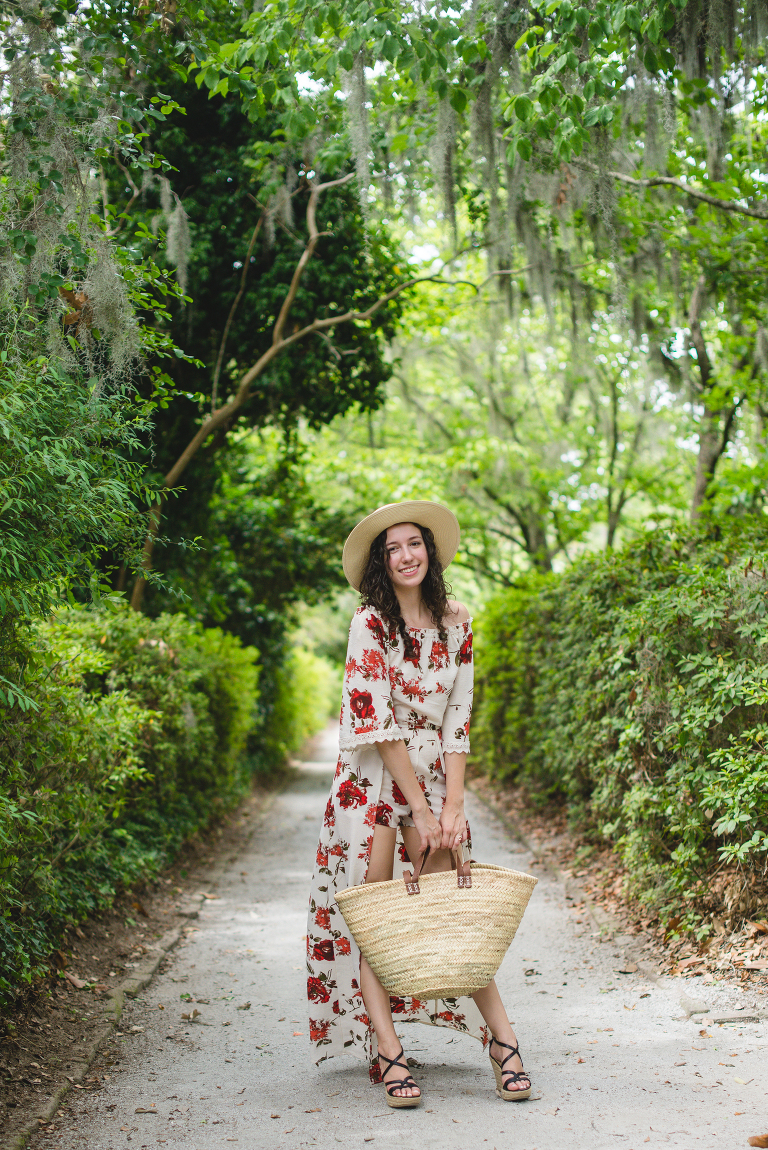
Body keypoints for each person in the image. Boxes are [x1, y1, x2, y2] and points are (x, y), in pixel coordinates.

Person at [306, 500, 531, 1108]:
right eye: (392, 549)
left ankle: (504, 1044)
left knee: (456, 913)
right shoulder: (370, 623)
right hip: (375, 781)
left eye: (414, 544)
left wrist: (452, 805)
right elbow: (377, 723)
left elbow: (458, 715)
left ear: (429, 550)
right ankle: (390, 1051)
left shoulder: (458, 619)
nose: (406, 556)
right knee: (377, 917)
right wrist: (421, 810)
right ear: (381, 563)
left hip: (434, 773)